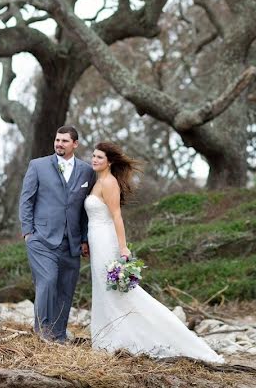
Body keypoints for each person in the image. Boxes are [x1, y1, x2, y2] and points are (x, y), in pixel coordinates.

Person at [86, 141, 224, 363]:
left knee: (118, 292)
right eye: (93, 156)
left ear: (109, 162)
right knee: (103, 291)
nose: (94, 159)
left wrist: (123, 248)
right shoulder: (97, 181)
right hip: (95, 239)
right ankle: (107, 340)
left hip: (106, 240)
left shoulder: (109, 183)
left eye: (99, 157)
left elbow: (117, 216)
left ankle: (139, 338)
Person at [19, 125, 96, 343]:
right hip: (41, 238)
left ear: (75, 144)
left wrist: (83, 239)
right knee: (48, 281)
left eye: (64, 141)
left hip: (71, 242)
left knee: (65, 288)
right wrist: (28, 233)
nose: (59, 144)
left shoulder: (86, 171)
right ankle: (42, 333)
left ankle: (59, 336)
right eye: (57, 140)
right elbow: (26, 200)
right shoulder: (38, 166)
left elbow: (84, 209)